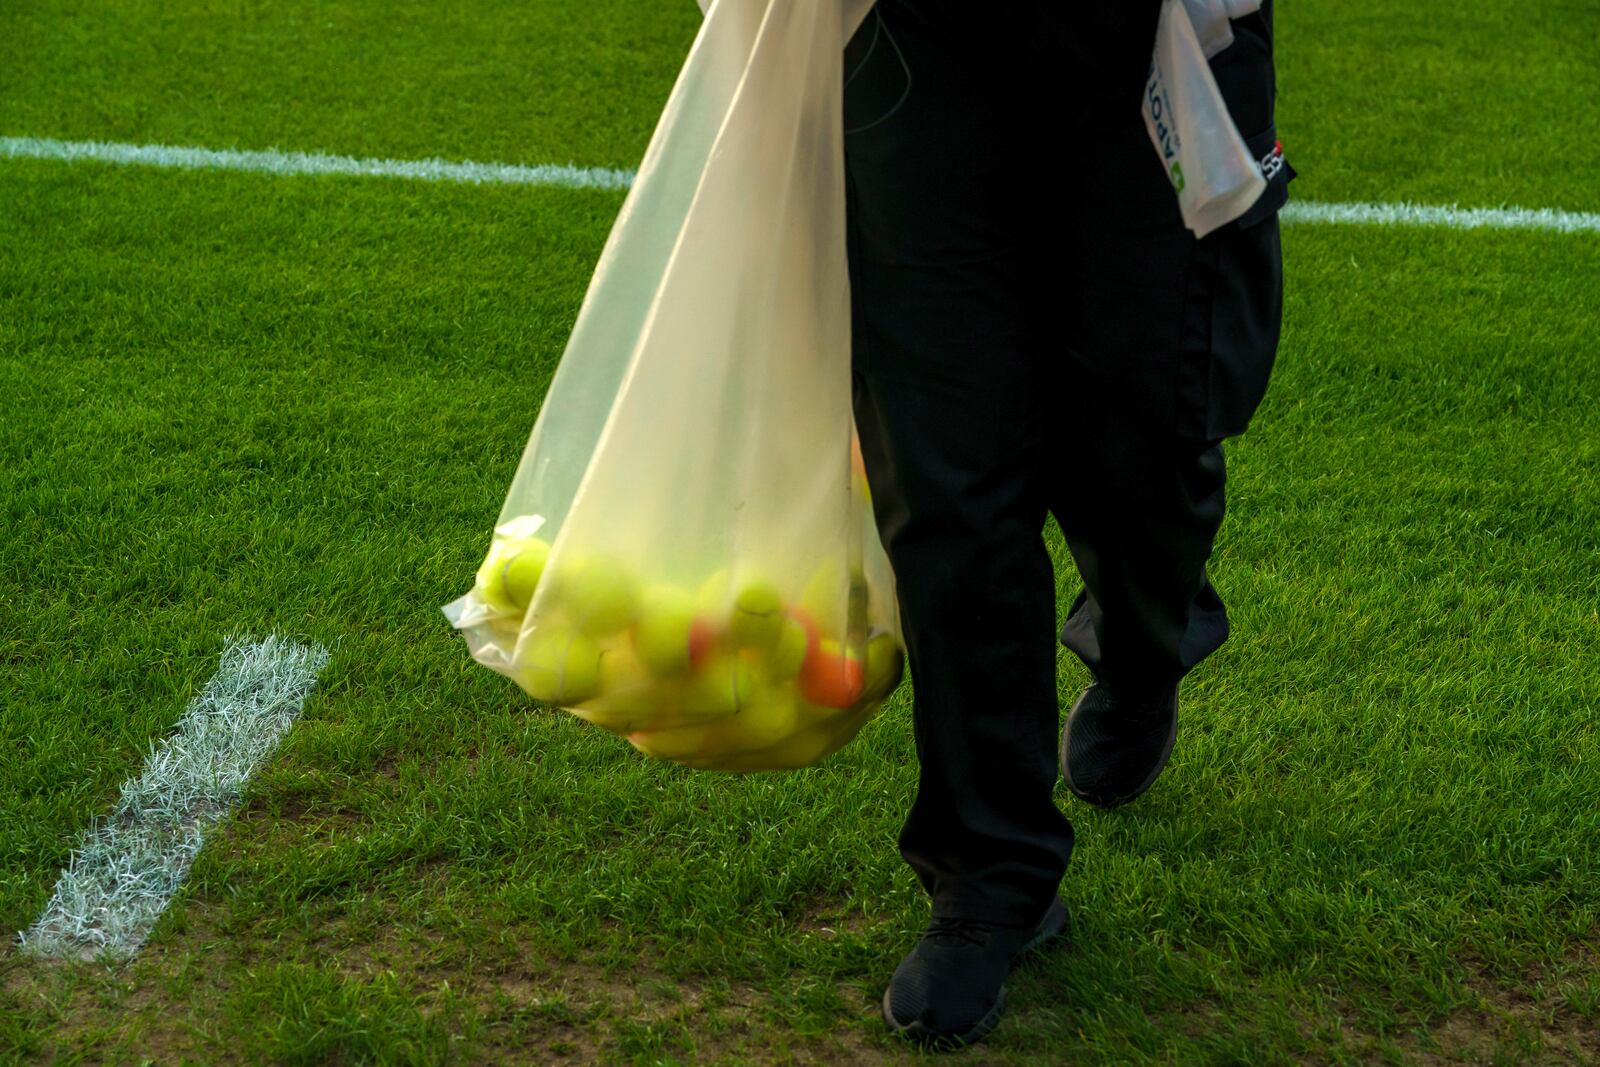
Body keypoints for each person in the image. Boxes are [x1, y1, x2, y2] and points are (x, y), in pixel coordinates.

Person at [843, 1, 1293, 1047]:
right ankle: (989, 876)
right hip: (913, 33)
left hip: (1149, 29)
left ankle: (1144, 646)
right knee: (943, 462)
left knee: (1147, 429)